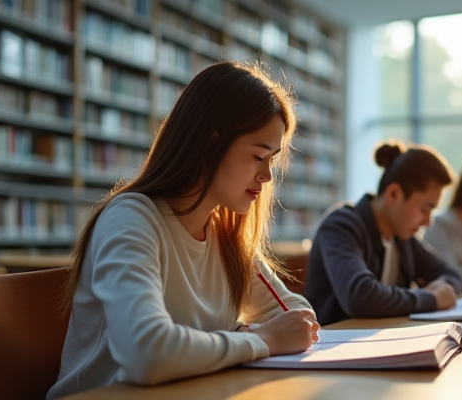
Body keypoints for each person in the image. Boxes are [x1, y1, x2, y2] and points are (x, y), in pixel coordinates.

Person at [49, 62, 318, 399]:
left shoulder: (225, 236)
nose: (267, 177)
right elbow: (145, 353)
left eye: (272, 161)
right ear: (209, 144)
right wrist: (263, 339)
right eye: (258, 156)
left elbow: (298, 317)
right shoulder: (131, 219)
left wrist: (246, 336)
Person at [304, 140, 462, 325]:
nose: (428, 222)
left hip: (382, 341)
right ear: (394, 194)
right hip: (334, 346)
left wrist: (443, 288)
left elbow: (451, 273)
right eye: (424, 209)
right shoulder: (340, 227)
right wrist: (431, 299)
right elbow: (360, 297)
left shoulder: (402, 236)